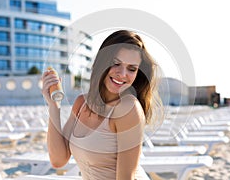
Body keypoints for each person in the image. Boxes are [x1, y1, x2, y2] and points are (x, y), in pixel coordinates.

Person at [42, 30, 162, 180]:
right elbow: (58, 160)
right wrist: (54, 106)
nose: (122, 74)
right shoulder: (81, 103)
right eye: (115, 63)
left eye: (132, 69)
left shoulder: (128, 109)